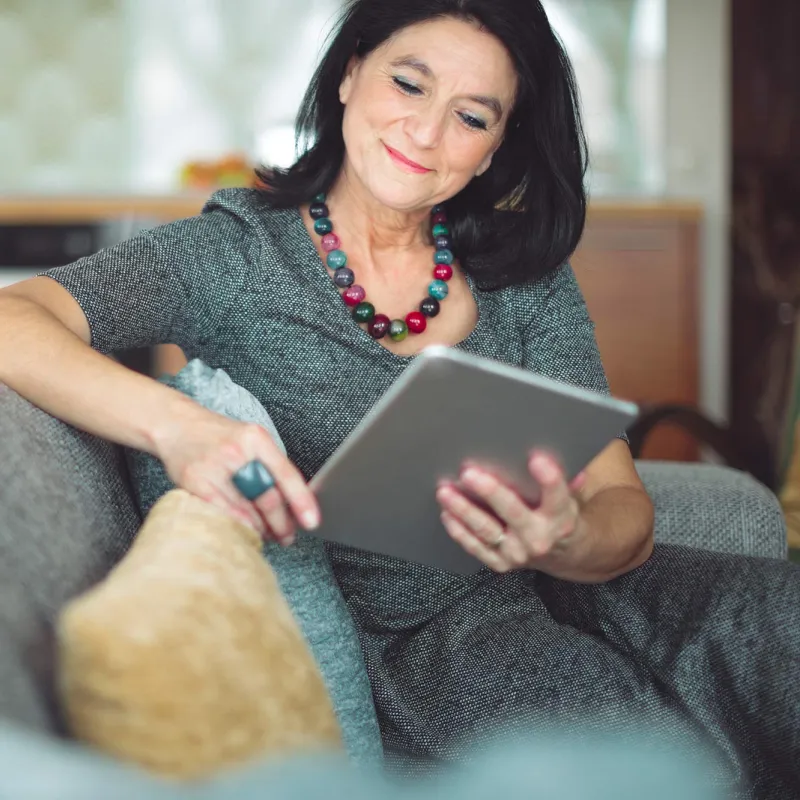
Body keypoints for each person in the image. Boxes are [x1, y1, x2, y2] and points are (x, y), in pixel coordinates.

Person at [0, 0, 797, 796]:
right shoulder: (231, 257)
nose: (425, 132)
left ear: (492, 150)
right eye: (408, 84)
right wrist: (182, 429)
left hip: (598, 599)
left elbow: (626, 514)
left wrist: (565, 536)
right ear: (349, 74)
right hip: (439, 661)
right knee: (671, 765)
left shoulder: (525, 281)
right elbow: (14, 316)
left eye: (471, 116)